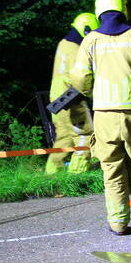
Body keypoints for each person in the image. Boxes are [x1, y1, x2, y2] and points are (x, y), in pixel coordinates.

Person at [71, 0, 131, 235]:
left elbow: (80, 78)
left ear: (98, 10)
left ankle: (119, 223)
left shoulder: (90, 40)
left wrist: (93, 92)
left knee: (112, 167)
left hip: (104, 113)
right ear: (124, 8)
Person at [46, 12, 99, 174]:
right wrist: (92, 93)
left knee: (64, 137)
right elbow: (82, 79)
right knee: (85, 136)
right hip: (72, 100)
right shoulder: (78, 50)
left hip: (57, 99)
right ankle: (78, 175)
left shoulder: (64, 44)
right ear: (87, 30)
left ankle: (52, 175)